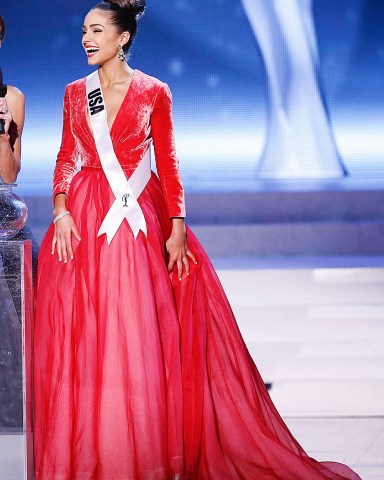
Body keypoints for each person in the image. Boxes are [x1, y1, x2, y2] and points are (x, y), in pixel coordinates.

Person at [33, 1, 362, 479]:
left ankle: (142, 446)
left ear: (122, 37)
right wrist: (60, 208)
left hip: (139, 215)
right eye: (84, 30)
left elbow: (167, 161)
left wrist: (177, 226)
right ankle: (98, 445)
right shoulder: (73, 93)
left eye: (97, 30)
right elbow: (66, 155)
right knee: (93, 332)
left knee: (140, 326)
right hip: (85, 217)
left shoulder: (153, 92)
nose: (86, 38)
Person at [0, 15, 38, 270]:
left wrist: (3, 138)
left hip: (2, 206)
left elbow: (9, 176)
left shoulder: (12, 98)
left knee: (31, 264)